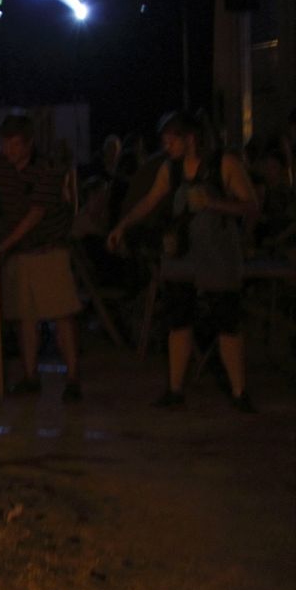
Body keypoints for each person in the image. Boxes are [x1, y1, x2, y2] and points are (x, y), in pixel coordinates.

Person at [108, 111, 260, 412]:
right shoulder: (171, 169)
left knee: (226, 321)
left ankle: (239, 392)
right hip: (182, 253)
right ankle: (175, 390)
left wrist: (214, 202)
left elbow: (251, 206)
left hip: (218, 255)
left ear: (191, 137)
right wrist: (122, 225)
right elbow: (150, 200)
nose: (167, 146)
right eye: (164, 140)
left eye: (171, 139)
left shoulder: (224, 164)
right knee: (178, 318)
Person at [0, 113, 83, 402]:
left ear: (29, 144)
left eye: (15, 145)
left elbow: (35, 215)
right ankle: (31, 376)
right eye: (6, 144)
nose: (9, 150)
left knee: (61, 314)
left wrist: (3, 245)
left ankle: (72, 378)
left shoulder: (47, 170)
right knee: (24, 317)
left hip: (48, 248)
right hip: (17, 252)